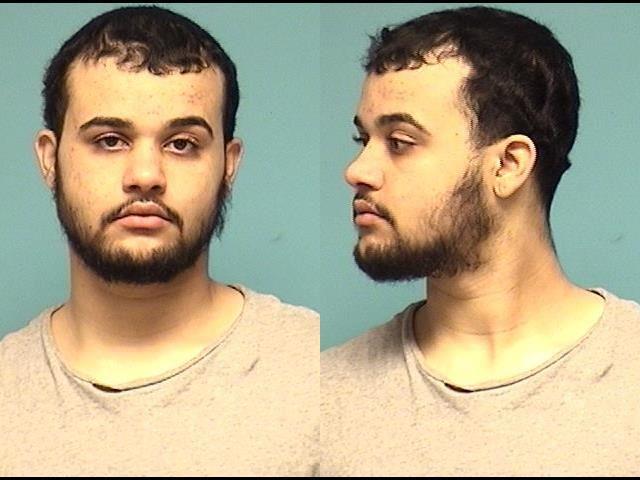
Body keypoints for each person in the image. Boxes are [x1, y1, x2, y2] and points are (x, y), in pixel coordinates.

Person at [321, 6, 640, 476]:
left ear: (508, 165)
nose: (358, 171)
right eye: (362, 139)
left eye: (400, 141)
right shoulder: (323, 401)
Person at [0, 6, 318, 476]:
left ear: (228, 165)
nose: (146, 175)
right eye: (110, 140)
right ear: (50, 159)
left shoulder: (316, 371)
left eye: (182, 143)